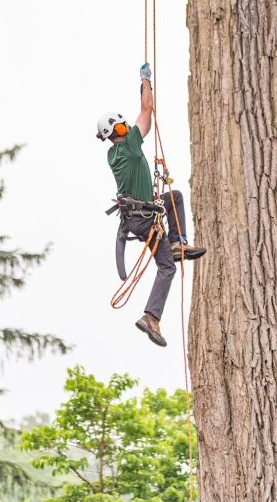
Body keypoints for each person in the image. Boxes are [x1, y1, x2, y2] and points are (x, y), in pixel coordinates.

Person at [96, 63, 206, 347]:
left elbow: (142, 118)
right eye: (122, 125)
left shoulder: (116, 153)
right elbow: (146, 112)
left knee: (174, 198)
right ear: (116, 129)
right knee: (167, 268)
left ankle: (178, 241)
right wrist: (145, 82)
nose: (127, 126)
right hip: (143, 219)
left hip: (138, 214)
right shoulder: (129, 146)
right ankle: (151, 317)